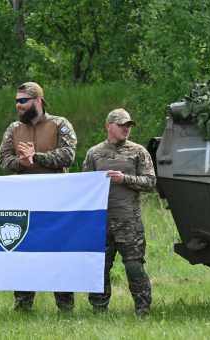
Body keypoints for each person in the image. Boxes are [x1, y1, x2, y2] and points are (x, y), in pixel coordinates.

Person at [0, 81, 77, 311]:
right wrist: (20, 162)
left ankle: (65, 306)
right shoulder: (13, 129)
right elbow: (3, 160)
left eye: (23, 100)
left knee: (58, 252)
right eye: (16, 101)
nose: (18, 105)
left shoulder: (60, 124)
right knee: (23, 250)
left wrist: (37, 158)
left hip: (56, 202)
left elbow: (68, 155)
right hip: (24, 201)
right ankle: (23, 306)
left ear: (38, 101)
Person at [82, 108, 156, 316]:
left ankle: (143, 310)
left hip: (128, 221)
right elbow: (85, 186)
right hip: (101, 222)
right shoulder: (94, 153)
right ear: (108, 126)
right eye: (121, 125)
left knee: (134, 266)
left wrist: (124, 179)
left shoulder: (138, 152)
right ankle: (98, 310)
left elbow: (151, 182)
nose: (126, 129)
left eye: (128, 126)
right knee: (100, 267)